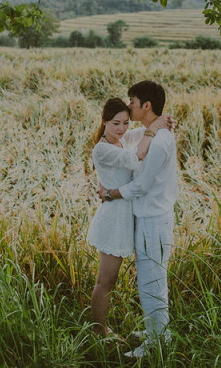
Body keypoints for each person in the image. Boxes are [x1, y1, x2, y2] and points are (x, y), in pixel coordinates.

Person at [98, 80, 178, 359]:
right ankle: (158, 331)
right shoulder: (156, 133)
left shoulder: (159, 140)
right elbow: (131, 141)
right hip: (151, 217)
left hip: (152, 220)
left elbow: (142, 185)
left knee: (150, 282)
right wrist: (152, 128)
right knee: (153, 280)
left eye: (132, 102)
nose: (129, 106)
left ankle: (157, 342)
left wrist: (111, 193)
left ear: (146, 105)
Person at [86, 98, 169, 340]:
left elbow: (137, 135)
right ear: (104, 122)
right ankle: (98, 332)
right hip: (113, 220)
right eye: (115, 123)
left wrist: (157, 123)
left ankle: (103, 328)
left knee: (111, 280)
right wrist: (153, 129)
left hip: (123, 216)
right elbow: (137, 157)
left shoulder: (120, 140)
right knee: (106, 281)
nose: (121, 128)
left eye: (124, 122)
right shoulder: (102, 149)